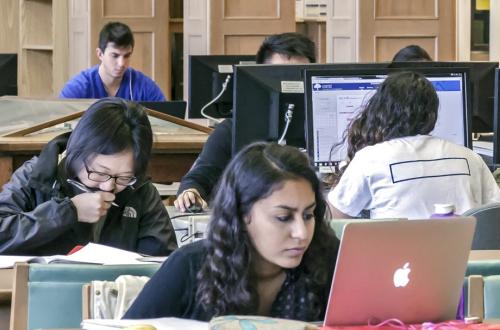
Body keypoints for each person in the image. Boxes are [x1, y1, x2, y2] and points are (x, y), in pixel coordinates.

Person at [124, 142, 340, 321]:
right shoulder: (190, 266)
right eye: (283, 218)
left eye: (308, 215)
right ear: (242, 214)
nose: (301, 233)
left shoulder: (330, 261)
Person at [0, 98, 177, 256]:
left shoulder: (140, 190)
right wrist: (68, 211)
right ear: (76, 153)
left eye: (123, 177)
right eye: (99, 173)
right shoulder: (37, 175)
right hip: (41, 287)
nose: (108, 187)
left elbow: (162, 260)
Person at [328, 71, 500, 219]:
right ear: (432, 114)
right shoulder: (470, 157)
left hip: (399, 256)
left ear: (380, 111)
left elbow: (334, 218)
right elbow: (493, 214)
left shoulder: (370, 159)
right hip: (465, 256)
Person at [174, 32, 315, 212]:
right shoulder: (231, 131)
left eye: (298, 74)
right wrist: (190, 192)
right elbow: (199, 177)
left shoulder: (325, 130)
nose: (291, 83)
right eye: (281, 75)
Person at [60, 22, 165, 101]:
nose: (121, 63)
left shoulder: (144, 86)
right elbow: (58, 123)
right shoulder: (78, 87)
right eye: (115, 56)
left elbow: (168, 121)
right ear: (100, 54)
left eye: (127, 56)